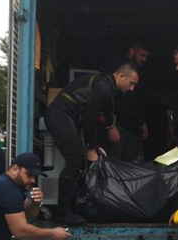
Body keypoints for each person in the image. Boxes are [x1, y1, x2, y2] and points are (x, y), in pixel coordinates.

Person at [44, 63, 140, 224]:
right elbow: (89, 119)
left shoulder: (108, 87)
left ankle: (73, 207)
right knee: (76, 160)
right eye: (132, 83)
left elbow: (108, 113)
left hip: (67, 117)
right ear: (121, 76)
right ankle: (62, 212)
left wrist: (109, 129)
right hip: (59, 115)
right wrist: (91, 147)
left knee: (79, 161)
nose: (132, 89)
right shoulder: (104, 87)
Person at [105, 42, 150, 162]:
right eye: (142, 55)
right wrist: (111, 126)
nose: (144, 59)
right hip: (118, 124)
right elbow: (107, 99)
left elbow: (141, 98)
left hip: (134, 126)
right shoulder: (116, 67)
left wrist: (143, 121)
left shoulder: (139, 72)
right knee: (114, 163)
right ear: (132, 52)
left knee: (130, 163)